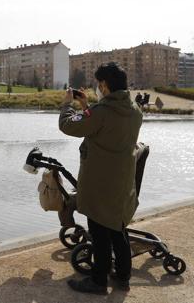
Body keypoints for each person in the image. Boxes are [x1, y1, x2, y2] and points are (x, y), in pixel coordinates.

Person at [59, 62, 142, 295]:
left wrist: (68, 104)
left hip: (100, 183)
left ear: (104, 85)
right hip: (122, 182)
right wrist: (86, 106)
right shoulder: (134, 110)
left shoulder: (102, 113)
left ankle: (98, 281)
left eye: (98, 84)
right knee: (118, 229)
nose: (97, 88)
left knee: (98, 232)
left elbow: (68, 126)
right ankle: (123, 277)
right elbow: (103, 124)